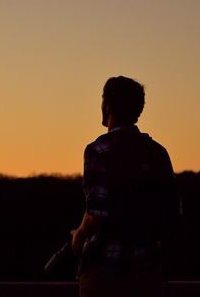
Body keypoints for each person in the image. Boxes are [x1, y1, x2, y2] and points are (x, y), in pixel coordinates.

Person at [71, 76, 180, 297]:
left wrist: (80, 235)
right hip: (149, 270)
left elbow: (96, 213)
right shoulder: (158, 152)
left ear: (108, 105)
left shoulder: (99, 150)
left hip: (105, 271)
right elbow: (174, 212)